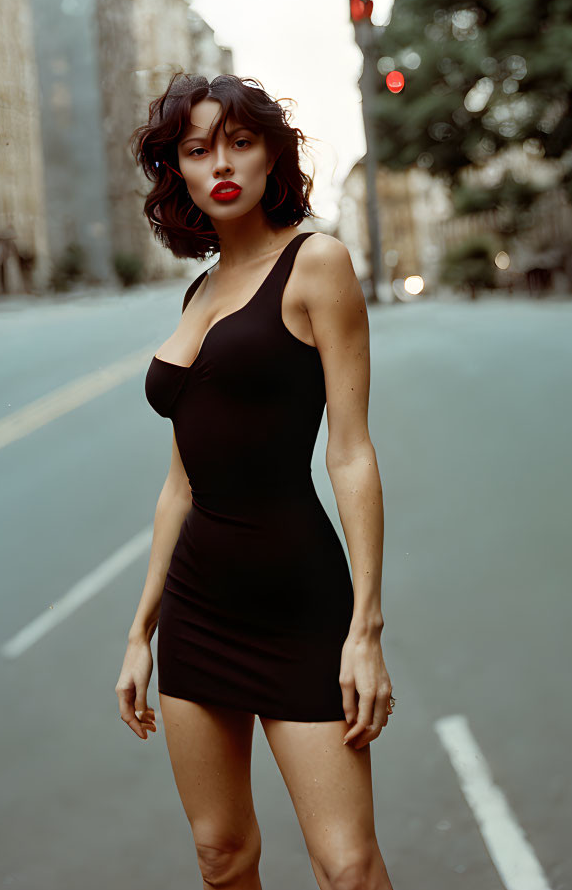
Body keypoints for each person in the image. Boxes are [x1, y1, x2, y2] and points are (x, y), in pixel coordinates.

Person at [117, 72, 395, 890]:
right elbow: (181, 483)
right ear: (180, 172)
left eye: (239, 141)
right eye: (197, 150)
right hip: (199, 608)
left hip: (297, 600)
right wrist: (141, 631)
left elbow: (350, 451)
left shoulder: (317, 263)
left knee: (346, 865)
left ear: (273, 153)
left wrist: (366, 628)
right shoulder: (198, 290)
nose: (220, 164)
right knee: (221, 854)